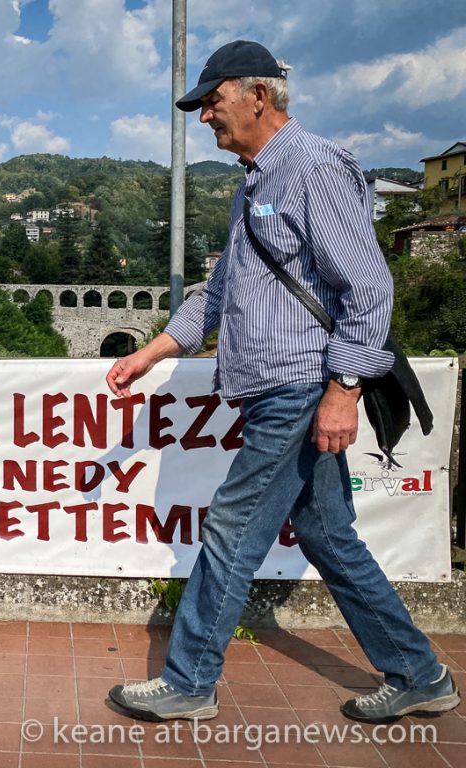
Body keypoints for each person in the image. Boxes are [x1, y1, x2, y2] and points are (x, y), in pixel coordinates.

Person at [105, 39, 459, 725]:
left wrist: (344, 388)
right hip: (281, 386)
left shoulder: (312, 165)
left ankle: (189, 682)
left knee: (232, 529)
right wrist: (151, 352)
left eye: (213, 102)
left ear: (257, 96)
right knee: (327, 535)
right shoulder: (254, 183)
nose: (205, 117)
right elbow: (218, 293)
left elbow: (368, 287)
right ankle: (419, 672)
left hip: (301, 385)